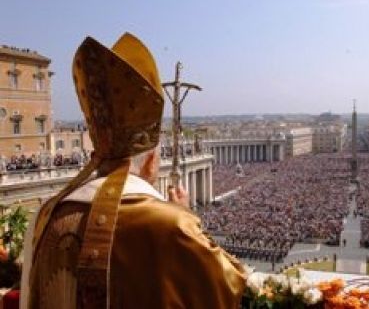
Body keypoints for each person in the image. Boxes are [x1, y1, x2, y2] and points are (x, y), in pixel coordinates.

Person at [21, 33, 246, 309]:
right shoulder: (171, 226)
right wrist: (185, 215)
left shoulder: (47, 214)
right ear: (152, 161)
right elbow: (228, 285)